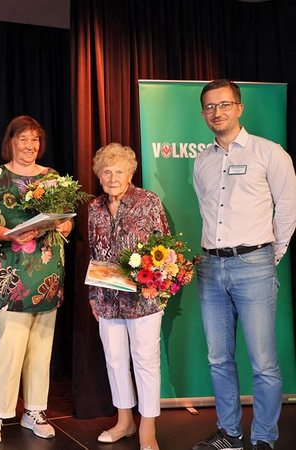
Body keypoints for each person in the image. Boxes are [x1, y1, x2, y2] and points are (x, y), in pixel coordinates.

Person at [191, 79, 296, 450]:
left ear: (239, 107)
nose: (216, 112)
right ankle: (230, 433)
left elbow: (286, 211)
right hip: (210, 267)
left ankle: (265, 437)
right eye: (209, 107)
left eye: (223, 105)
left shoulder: (270, 153)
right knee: (218, 358)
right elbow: (207, 211)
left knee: (263, 361)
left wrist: (271, 255)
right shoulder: (201, 161)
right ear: (203, 113)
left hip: (254, 264)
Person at [0, 115, 73, 446]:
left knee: (42, 347)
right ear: (11, 142)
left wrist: (63, 226)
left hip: (49, 272)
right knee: (11, 347)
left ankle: (34, 411)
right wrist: (10, 233)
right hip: (12, 274)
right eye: (23, 139)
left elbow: (68, 221)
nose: (29, 146)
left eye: (35, 140)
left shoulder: (52, 177)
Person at [87, 143, 169, 450]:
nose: (112, 177)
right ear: (98, 176)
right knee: (115, 360)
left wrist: (157, 288)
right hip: (107, 300)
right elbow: (95, 255)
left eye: (119, 171)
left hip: (144, 299)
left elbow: (165, 249)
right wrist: (94, 296)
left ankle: (148, 429)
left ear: (130, 173)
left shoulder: (148, 202)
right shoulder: (94, 208)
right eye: (106, 172)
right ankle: (125, 422)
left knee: (146, 362)